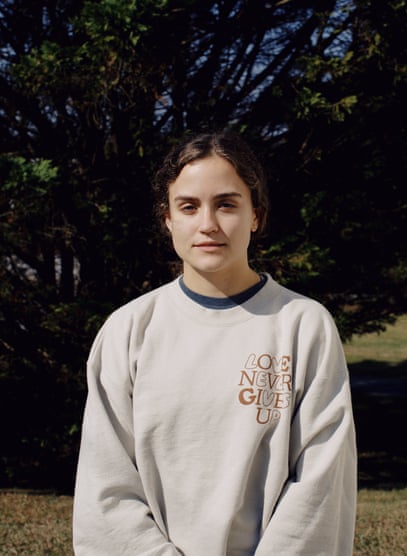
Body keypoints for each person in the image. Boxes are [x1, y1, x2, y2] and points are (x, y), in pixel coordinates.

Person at [73, 130, 357, 555]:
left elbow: (321, 482)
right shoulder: (129, 330)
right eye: (188, 207)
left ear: (255, 215)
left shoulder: (302, 326)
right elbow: (105, 486)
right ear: (167, 218)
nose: (207, 224)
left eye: (226, 204)